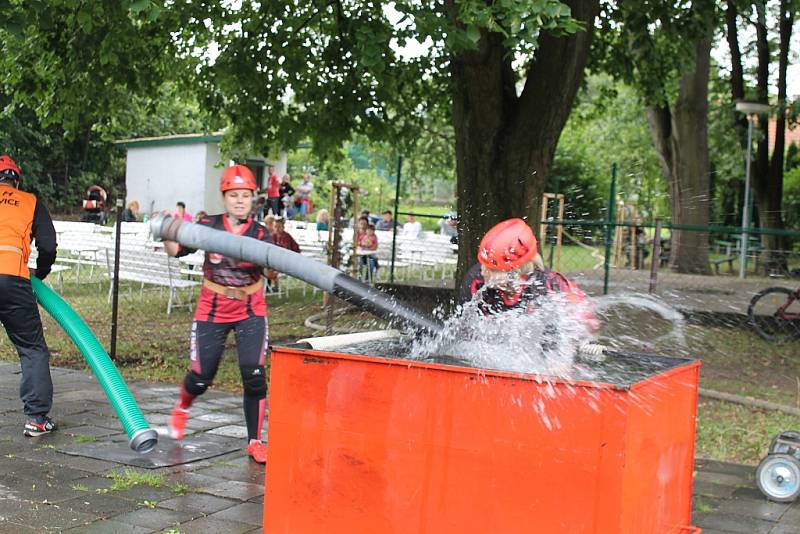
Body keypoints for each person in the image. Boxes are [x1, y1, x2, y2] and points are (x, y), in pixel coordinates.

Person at [164, 164, 271, 464]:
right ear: (224, 197)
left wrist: (279, 255)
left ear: (253, 199)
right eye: (234, 195)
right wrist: (165, 229)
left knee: (254, 375)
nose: (240, 200)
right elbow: (176, 250)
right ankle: (183, 406)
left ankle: (255, 440)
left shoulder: (261, 233)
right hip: (212, 309)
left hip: (251, 310)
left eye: (245, 195)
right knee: (201, 377)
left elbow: (274, 272)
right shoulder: (207, 226)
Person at [0, 155, 59, 437]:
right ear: (16, 180)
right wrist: (41, 272)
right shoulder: (28, 201)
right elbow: (47, 244)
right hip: (13, 279)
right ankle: (36, 419)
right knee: (31, 348)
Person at [459, 219, 597, 330]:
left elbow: (581, 325)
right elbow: (467, 333)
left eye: (492, 269)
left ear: (514, 272)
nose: (483, 271)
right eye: (483, 264)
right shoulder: (476, 281)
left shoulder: (547, 288)